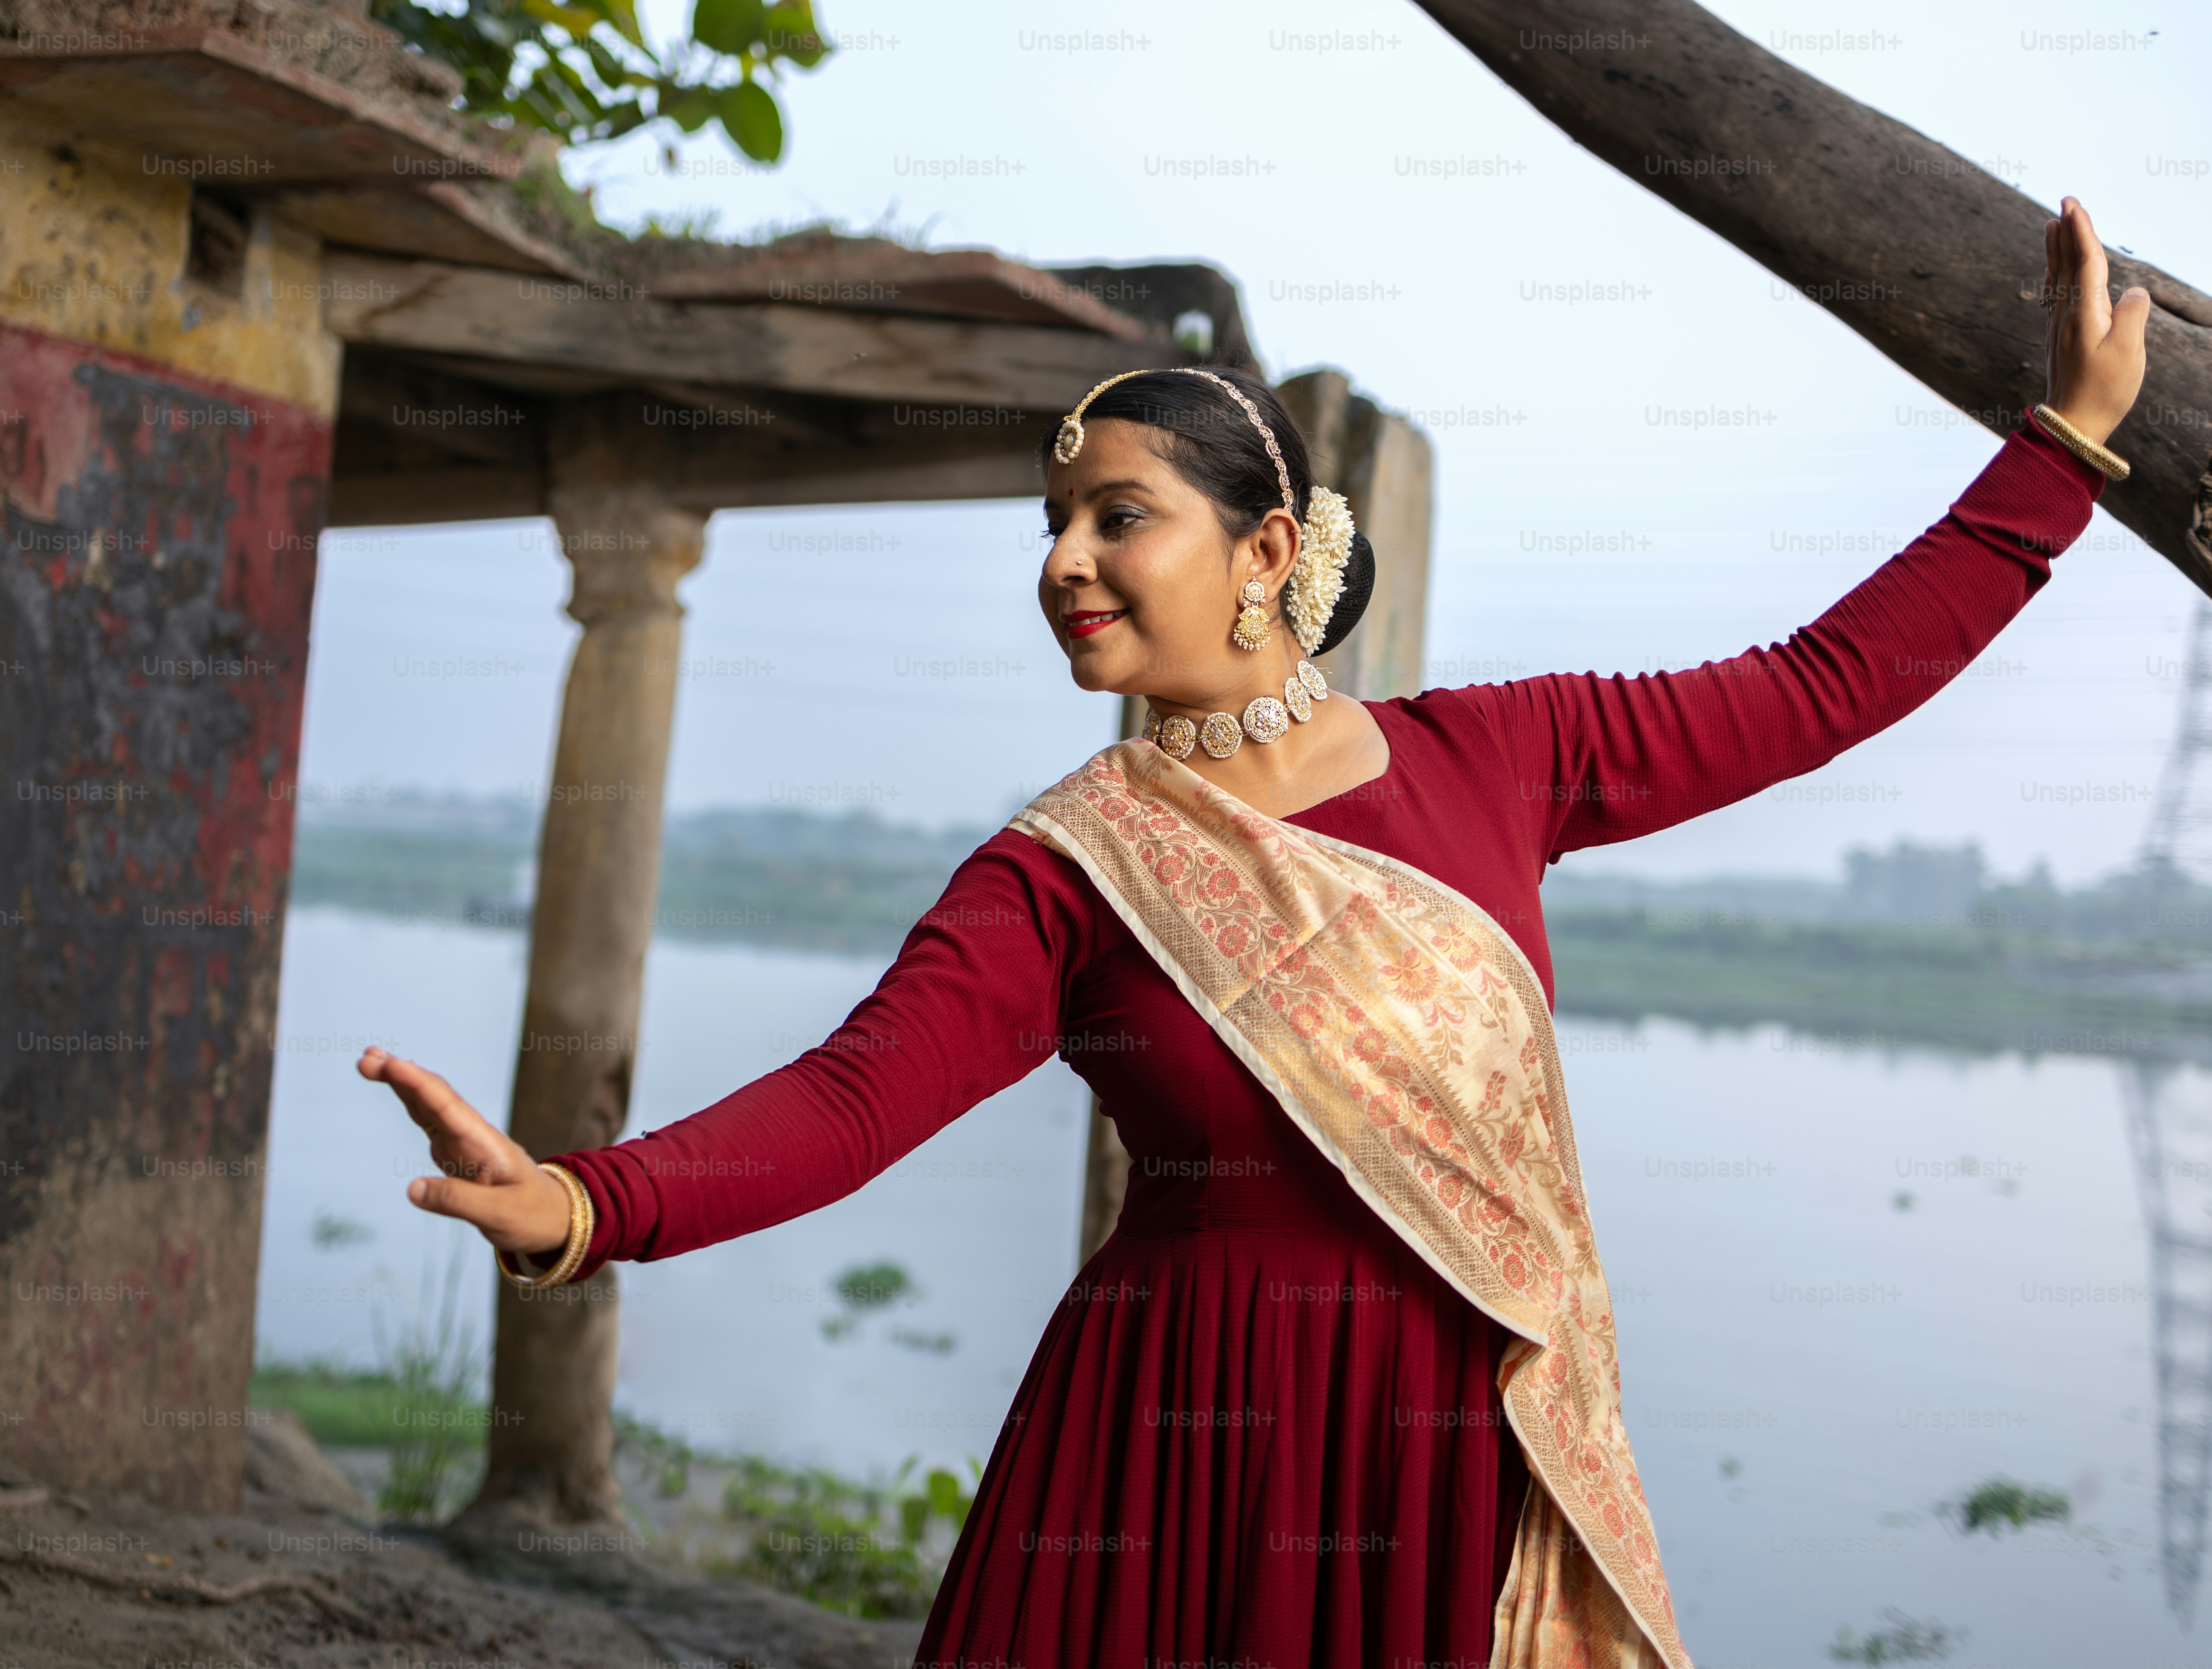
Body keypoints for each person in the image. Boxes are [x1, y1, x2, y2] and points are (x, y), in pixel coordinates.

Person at [356, 199, 2149, 1668]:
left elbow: (1818, 687)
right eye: (1053, 521)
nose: (1065, 558)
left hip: (1444, 1439)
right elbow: (852, 1100)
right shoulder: (1068, 869)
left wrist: (2058, 452)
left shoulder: (1497, 756)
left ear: (1267, 545)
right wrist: (586, 1202)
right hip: (1170, 1447)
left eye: (1116, 517)